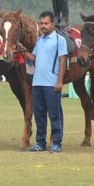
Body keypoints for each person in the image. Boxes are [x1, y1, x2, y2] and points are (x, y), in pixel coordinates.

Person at [24, 11, 68, 153]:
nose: (43, 26)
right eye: (41, 23)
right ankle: (40, 143)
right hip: (37, 83)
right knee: (39, 114)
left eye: (46, 23)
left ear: (53, 24)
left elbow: (62, 61)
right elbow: (34, 58)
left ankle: (56, 142)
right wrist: (23, 50)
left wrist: (60, 81)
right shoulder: (40, 40)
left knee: (54, 114)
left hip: (52, 83)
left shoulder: (59, 40)